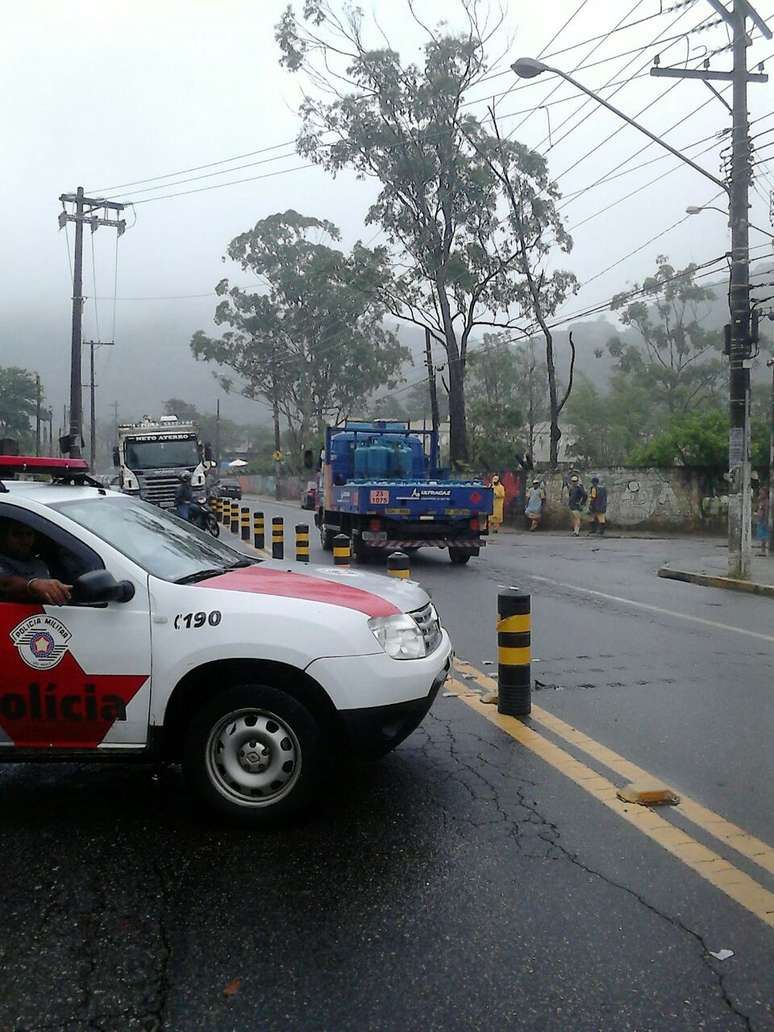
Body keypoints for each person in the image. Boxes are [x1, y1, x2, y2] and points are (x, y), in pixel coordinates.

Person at [0, 518, 72, 605]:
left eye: (29, 534)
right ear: (3, 537)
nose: (25, 540)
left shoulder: (40, 564)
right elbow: (6, 584)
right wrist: (33, 585)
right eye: (17, 534)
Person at [755, 485, 769, 556]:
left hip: (763, 520)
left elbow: (766, 512)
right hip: (760, 519)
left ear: (766, 494)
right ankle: (762, 549)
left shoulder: (766, 502)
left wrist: (765, 521)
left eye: (762, 493)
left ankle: (763, 550)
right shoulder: (761, 501)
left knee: (763, 535)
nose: (760, 494)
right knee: (761, 535)